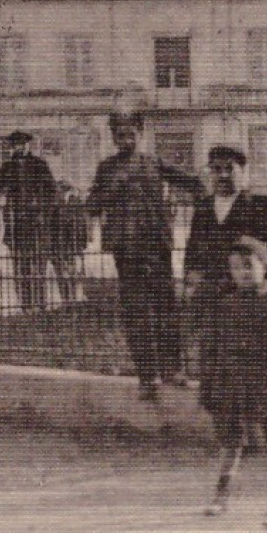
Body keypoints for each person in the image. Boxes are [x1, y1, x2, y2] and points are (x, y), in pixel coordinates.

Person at [86, 110, 203, 401]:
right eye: (120, 136)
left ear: (141, 134)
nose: (126, 140)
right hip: (127, 251)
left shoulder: (153, 162)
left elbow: (189, 181)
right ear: (113, 138)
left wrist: (205, 191)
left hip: (157, 246)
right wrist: (113, 187)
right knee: (136, 314)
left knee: (166, 307)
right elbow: (92, 204)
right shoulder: (107, 168)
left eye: (131, 135)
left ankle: (172, 368)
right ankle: (147, 376)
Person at [198, 237, 267, 517]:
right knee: (231, 440)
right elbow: (211, 347)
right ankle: (221, 495)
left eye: (249, 266)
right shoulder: (225, 305)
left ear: (264, 265)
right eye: (236, 268)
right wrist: (209, 384)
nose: (243, 274)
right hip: (232, 379)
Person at [184, 145, 267, 302]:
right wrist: (190, 281)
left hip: (246, 294)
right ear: (211, 172)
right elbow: (192, 248)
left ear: (242, 172)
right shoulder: (203, 207)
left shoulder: (259, 205)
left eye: (229, 169)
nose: (223, 175)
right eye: (217, 169)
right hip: (208, 294)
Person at [0, 130, 60, 315]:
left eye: (21, 144)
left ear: (28, 145)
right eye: (14, 145)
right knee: (19, 265)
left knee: (38, 263)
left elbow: (53, 192)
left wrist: (42, 211)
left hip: (37, 223)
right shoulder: (7, 167)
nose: (18, 147)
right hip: (16, 225)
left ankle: (40, 304)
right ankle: (25, 305)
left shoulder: (39, 165)